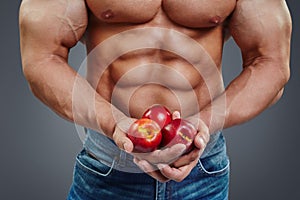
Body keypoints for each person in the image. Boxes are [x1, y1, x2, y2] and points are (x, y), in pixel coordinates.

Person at [19, 0, 292, 199]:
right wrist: (114, 124)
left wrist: (201, 126)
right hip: (109, 164)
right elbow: (42, 58)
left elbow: (270, 61)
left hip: (202, 167)